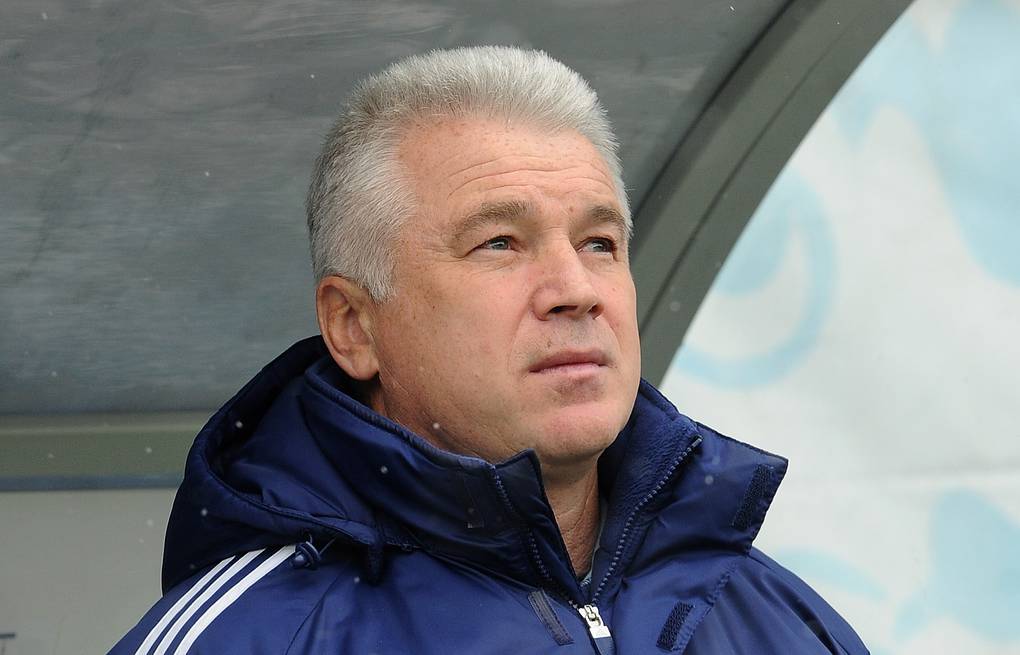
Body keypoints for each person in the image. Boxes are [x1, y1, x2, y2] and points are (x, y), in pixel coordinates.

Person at [110, 46, 867, 655]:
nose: (576, 289)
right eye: (500, 242)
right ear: (354, 326)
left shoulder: (783, 621)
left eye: (599, 242)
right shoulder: (252, 636)